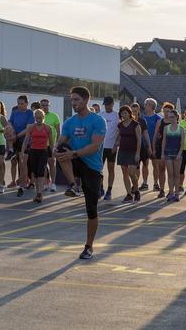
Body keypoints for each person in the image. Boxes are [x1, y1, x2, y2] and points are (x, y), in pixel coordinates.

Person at [55, 86, 106, 260]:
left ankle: (89, 246)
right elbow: (61, 141)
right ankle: (72, 185)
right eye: (72, 100)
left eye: (76, 99)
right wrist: (56, 149)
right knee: (61, 149)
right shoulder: (69, 122)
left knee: (91, 210)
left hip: (91, 166)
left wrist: (74, 153)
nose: (73, 103)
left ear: (85, 100)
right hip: (74, 161)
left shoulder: (98, 121)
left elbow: (94, 146)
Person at [22, 109, 54, 202]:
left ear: (43, 117)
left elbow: (51, 143)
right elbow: (26, 140)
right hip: (33, 151)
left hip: (43, 151)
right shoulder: (31, 127)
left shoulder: (48, 128)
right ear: (34, 118)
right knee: (35, 173)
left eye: (40, 117)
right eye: (37, 117)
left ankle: (39, 193)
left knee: (41, 170)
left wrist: (52, 153)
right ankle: (37, 193)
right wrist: (23, 151)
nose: (38, 119)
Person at [114, 105, 142, 204]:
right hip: (122, 151)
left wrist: (138, 153)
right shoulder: (120, 125)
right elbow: (119, 137)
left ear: (129, 113)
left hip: (133, 151)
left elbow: (139, 140)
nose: (124, 115)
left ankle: (136, 190)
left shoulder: (135, 124)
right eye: (122, 113)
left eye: (125, 113)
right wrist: (115, 145)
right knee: (125, 173)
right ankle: (129, 194)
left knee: (131, 173)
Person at [8, 95, 35, 189]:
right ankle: (13, 181)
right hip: (14, 138)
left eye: (22, 103)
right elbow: (10, 123)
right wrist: (11, 132)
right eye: (18, 103)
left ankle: (24, 183)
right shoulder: (15, 112)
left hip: (25, 139)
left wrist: (16, 136)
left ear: (27, 104)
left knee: (23, 163)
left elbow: (28, 129)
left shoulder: (30, 113)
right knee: (13, 162)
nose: (19, 105)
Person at [151, 102, 174, 197]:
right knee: (161, 169)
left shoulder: (174, 122)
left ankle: (171, 190)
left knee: (170, 171)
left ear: (171, 112)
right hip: (160, 147)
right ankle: (161, 190)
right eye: (164, 111)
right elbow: (155, 135)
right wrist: (153, 148)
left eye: (168, 111)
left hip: (171, 148)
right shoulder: (160, 122)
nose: (166, 113)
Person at [162, 109, 185, 203]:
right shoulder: (166, 128)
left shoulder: (181, 128)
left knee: (176, 174)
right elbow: (164, 141)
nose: (170, 118)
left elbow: (182, 142)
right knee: (170, 174)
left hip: (177, 154)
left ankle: (176, 194)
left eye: (172, 117)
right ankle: (171, 193)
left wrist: (179, 153)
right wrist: (162, 153)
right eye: (169, 117)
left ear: (177, 117)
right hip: (168, 153)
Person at [100, 96, 119, 200]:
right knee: (99, 169)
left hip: (111, 147)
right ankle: (101, 188)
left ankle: (109, 190)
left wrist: (116, 145)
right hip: (101, 147)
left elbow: (119, 132)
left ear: (112, 104)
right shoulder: (100, 115)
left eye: (108, 104)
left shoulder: (116, 116)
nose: (106, 106)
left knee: (111, 168)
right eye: (105, 104)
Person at [142, 99, 162, 192]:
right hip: (144, 144)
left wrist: (154, 146)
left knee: (155, 165)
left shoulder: (158, 118)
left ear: (152, 106)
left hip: (155, 145)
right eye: (145, 104)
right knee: (145, 164)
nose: (145, 105)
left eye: (147, 104)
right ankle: (145, 183)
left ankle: (155, 183)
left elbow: (159, 133)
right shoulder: (142, 117)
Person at [41, 99, 61, 192]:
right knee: (43, 165)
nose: (44, 107)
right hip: (41, 145)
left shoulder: (54, 116)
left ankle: (53, 183)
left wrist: (57, 145)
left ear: (49, 106)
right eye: (43, 105)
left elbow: (58, 132)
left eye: (46, 105)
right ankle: (46, 182)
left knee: (52, 163)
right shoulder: (38, 116)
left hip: (51, 145)